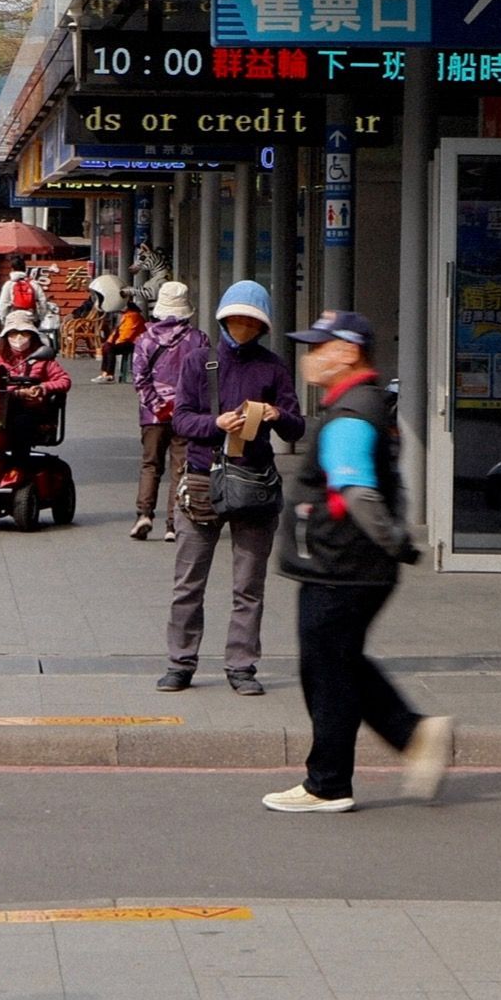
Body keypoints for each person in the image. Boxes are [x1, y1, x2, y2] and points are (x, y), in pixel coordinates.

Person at [263, 310, 452, 813]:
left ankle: (328, 783)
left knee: (326, 672)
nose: (308, 357)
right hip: (345, 564)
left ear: (347, 352)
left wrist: (395, 544)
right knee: (339, 666)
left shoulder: (349, 416)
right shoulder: (360, 405)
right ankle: (408, 738)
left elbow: (357, 491)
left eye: (318, 347)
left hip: (342, 566)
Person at [160, 280, 305, 696]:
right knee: (189, 582)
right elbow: (181, 421)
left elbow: (297, 425)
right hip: (204, 478)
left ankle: (242, 666)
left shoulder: (273, 366)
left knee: (249, 585)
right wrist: (217, 423)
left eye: (251, 321)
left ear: (262, 326)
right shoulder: (197, 361)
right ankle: (180, 663)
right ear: (223, 318)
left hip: (254, 481)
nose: (242, 326)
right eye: (236, 319)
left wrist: (276, 415)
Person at [131, 281, 204, 541]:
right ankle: (173, 524)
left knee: (150, 465)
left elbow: (139, 379)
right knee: (180, 468)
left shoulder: (145, 339)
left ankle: (144, 515)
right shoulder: (198, 339)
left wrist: (158, 406)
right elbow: (204, 378)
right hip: (186, 414)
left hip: (152, 415)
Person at [0, 310, 73, 442]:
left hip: (31, 409)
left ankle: (19, 459)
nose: (18, 337)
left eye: (24, 333)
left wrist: (42, 387)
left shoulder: (41, 354)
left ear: (32, 334)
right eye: (13, 333)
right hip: (0, 407)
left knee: (22, 422)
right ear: (7, 335)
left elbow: (64, 380)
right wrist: (18, 392)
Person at [96, 298, 146, 384]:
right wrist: (110, 341)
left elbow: (127, 334)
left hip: (133, 343)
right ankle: (105, 373)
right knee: (107, 347)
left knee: (110, 348)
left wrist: (115, 342)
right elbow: (118, 331)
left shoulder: (133, 317)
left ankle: (109, 374)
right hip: (126, 341)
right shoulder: (128, 316)